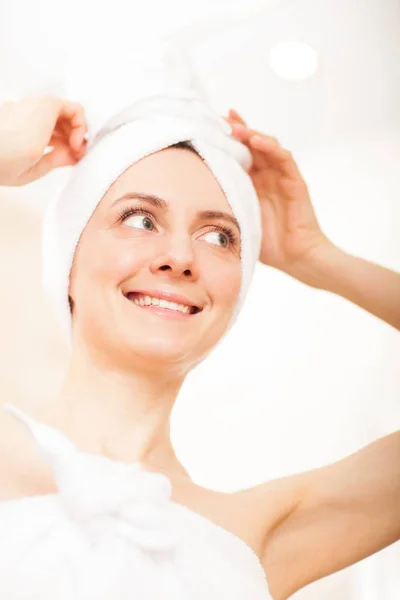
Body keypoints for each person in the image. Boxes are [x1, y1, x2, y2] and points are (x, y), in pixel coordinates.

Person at [0, 94, 398, 600]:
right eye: (141, 219)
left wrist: (316, 257)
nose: (180, 257)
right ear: (67, 262)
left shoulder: (258, 537)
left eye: (218, 237)